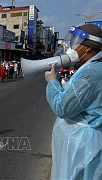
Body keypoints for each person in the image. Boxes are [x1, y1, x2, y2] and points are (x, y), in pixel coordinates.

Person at [44, 24, 102, 180]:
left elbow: (62, 107)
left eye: (76, 43)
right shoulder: (92, 68)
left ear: (88, 48)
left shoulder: (91, 73)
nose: (72, 48)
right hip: (85, 142)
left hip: (85, 147)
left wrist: (52, 83)